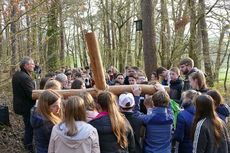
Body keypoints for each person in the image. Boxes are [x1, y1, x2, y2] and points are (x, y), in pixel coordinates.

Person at [132, 86, 174, 153]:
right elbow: (169, 106)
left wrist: (136, 96)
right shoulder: (170, 118)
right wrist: (164, 91)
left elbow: (135, 114)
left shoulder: (148, 119)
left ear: (153, 103)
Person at [12, 56, 36, 152]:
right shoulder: (25, 77)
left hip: (20, 105)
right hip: (25, 106)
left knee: (28, 126)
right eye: (32, 64)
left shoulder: (17, 74)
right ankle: (28, 147)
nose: (34, 66)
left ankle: (27, 144)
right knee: (29, 127)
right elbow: (31, 94)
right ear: (26, 66)